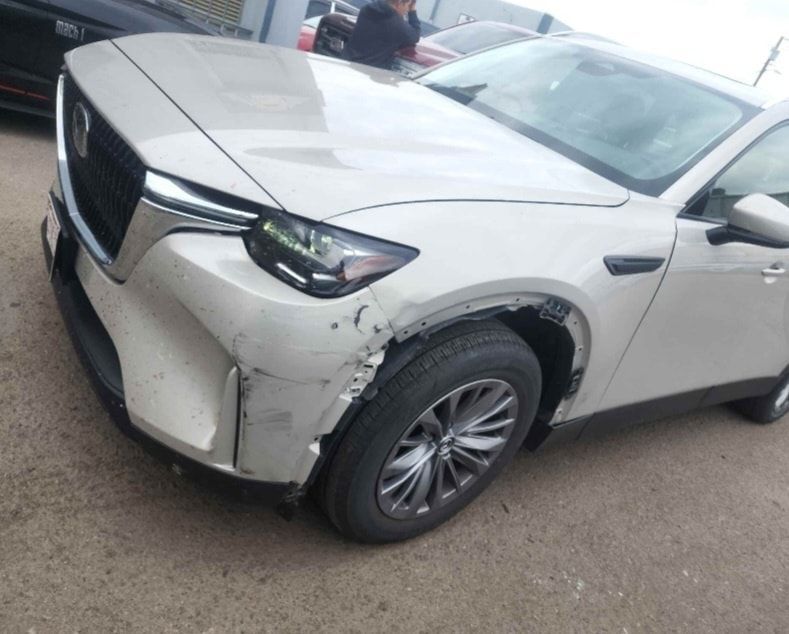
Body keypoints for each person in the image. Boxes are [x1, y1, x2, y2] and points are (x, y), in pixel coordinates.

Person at [344, 0, 421, 70]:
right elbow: (415, 36)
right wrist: (412, 11)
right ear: (399, 2)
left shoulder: (367, 9)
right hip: (367, 71)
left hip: (347, 62)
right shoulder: (398, 25)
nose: (407, 10)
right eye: (408, 5)